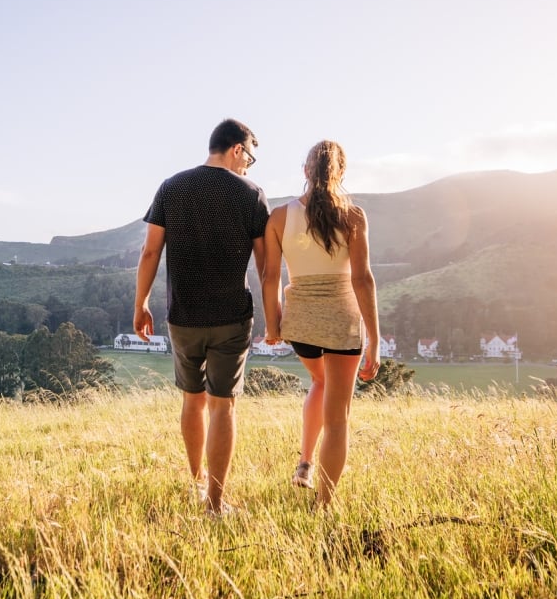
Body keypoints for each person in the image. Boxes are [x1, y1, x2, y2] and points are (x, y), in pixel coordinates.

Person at [134, 119, 269, 516]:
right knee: (222, 406)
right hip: (230, 315)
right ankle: (214, 502)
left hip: (183, 315)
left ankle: (195, 483)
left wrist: (140, 303)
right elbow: (265, 267)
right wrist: (274, 317)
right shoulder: (251, 194)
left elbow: (149, 253)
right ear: (237, 150)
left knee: (192, 401)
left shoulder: (171, 187)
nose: (249, 166)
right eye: (251, 157)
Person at [262, 140, 380, 507]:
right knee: (339, 417)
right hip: (343, 323)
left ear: (305, 172)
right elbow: (362, 280)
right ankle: (324, 504)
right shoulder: (354, 216)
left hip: (301, 326)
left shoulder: (280, 216)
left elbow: (269, 277)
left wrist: (272, 325)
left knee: (319, 379)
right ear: (341, 173)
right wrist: (374, 340)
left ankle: (305, 463)